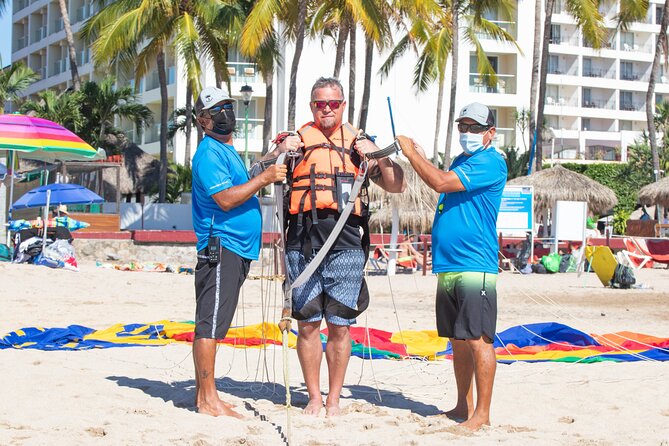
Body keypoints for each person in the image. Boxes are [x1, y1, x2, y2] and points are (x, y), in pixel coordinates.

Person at [284, 77, 405, 417]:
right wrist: (281, 150)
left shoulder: (360, 144)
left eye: (333, 103)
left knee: (339, 324)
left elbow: (397, 185)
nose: (326, 109)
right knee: (307, 324)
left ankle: (334, 399)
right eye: (320, 103)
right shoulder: (295, 142)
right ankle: (313, 397)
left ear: (343, 106)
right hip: (302, 243)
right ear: (311, 106)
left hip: (347, 243)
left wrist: (378, 157)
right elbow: (265, 168)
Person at [398, 102, 507, 430]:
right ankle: (463, 405)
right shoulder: (463, 161)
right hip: (450, 265)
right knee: (458, 339)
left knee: (478, 339)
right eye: (463, 127)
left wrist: (412, 155)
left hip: (476, 264)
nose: (467, 133)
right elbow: (446, 178)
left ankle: (482, 415)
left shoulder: (491, 162)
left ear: (490, 133)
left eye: (475, 128)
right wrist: (419, 155)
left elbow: (441, 183)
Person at [191, 86, 288, 417]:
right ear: (204, 121)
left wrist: (274, 154)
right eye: (216, 110)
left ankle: (208, 394)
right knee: (211, 323)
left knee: (218, 322)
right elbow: (227, 198)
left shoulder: (226, 150)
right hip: (222, 247)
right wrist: (266, 178)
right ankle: (206, 399)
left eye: (228, 106)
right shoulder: (208, 153)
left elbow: (243, 177)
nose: (225, 113)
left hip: (238, 249)